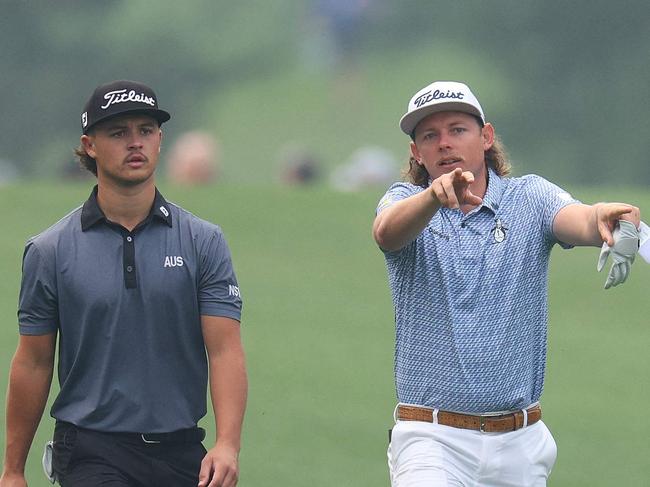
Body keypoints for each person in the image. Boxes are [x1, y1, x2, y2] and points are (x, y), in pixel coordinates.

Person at [372, 80, 641, 486]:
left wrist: (601, 215)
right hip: (431, 439)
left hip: (520, 443)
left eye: (457, 130)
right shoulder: (405, 202)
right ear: (417, 153)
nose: (444, 143)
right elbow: (386, 232)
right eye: (430, 135)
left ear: (486, 137)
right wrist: (431, 199)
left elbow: (579, 219)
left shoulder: (528, 198)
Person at [0, 80, 247, 487]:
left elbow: (224, 350)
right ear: (90, 144)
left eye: (146, 131)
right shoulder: (50, 251)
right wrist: (12, 470)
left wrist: (227, 445)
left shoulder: (204, 241)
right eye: (118, 133)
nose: (136, 143)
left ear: (160, 139)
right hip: (90, 451)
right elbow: (33, 361)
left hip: (181, 453)